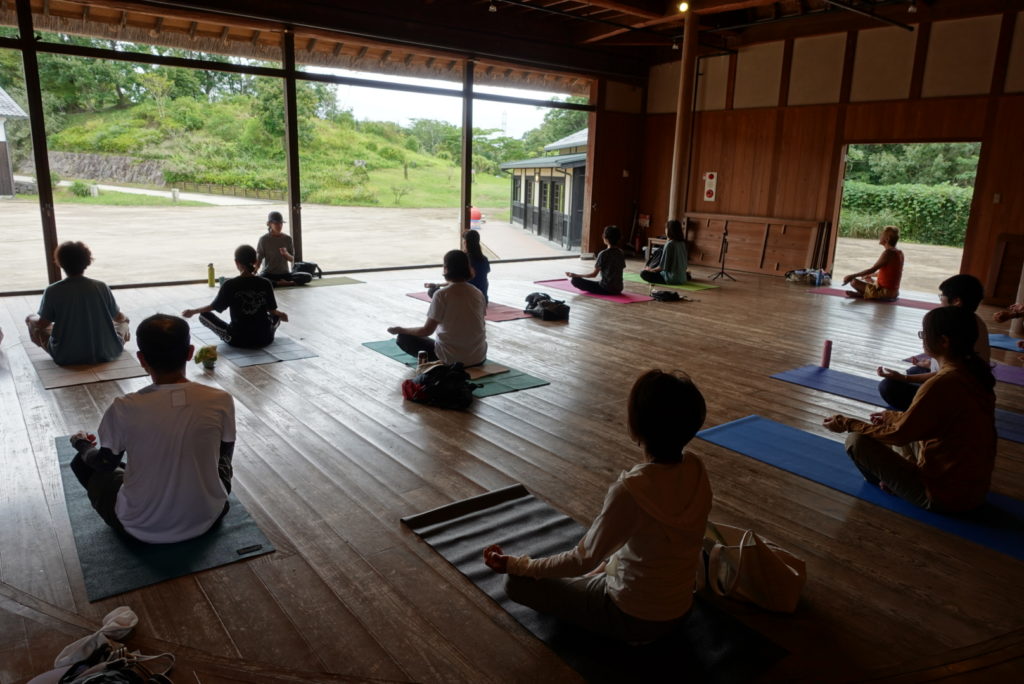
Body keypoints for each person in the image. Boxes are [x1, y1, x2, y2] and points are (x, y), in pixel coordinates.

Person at [482, 369, 713, 643]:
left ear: (636, 424)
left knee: (517, 584)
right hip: (680, 609)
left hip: (633, 619)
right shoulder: (697, 468)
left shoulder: (631, 491)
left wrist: (517, 565)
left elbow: (582, 560)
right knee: (606, 562)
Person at [68, 314, 237, 543]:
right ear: (189, 352)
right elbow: (224, 456)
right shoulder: (220, 399)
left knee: (82, 462)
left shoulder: (124, 407)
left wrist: (81, 444)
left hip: (139, 528)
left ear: (141, 359)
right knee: (216, 463)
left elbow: (105, 464)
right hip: (209, 517)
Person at [824, 306, 996, 513]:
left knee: (856, 441)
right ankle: (900, 478)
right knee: (896, 426)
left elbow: (898, 436)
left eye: (925, 334)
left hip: (943, 497)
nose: (922, 339)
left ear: (943, 342)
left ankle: (893, 484)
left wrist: (847, 423)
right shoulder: (974, 374)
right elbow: (934, 424)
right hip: (973, 492)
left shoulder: (941, 383)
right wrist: (892, 416)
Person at [877, 274, 990, 410]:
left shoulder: (952, 325)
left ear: (956, 301)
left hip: (953, 395)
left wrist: (904, 379)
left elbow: (947, 374)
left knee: (888, 386)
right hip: (959, 380)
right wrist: (927, 363)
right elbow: (950, 363)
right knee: (914, 370)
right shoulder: (975, 321)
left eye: (942, 295)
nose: (940, 299)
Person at [25, 241, 131, 366]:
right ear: (87, 261)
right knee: (123, 323)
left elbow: (43, 324)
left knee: (34, 324)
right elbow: (118, 317)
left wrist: (30, 319)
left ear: (60, 263)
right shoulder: (101, 286)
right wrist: (125, 319)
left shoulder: (53, 290)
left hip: (66, 355)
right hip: (105, 352)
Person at [387, 249, 487, 366]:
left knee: (403, 338)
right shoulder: (477, 293)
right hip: (478, 358)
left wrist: (401, 330)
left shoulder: (442, 294)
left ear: (446, 268)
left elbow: (426, 331)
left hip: (450, 360)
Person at [181, 245, 289, 348]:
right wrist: (282, 314)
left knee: (203, 316)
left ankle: (228, 336)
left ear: (236, 262)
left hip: (237, 340)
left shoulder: (230, 284)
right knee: (276, 316)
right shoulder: (266, 283)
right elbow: (273, 311)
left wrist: (192, 311)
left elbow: (213, 307)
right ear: (256, 261)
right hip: (265, 338)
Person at [423, 229, 490, 302]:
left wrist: (437, 285)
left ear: (465, 243)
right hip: (483, 298)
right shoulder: (484, 259)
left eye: (463, 241)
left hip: (466, 297)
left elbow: (456, 281)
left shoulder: (464, 259)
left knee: (433, 291)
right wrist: (438, 284)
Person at [842, 225, 904, 300]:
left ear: (887, 239)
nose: (879, 237)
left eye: (881, 235)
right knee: (869, 279)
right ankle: (864, 294)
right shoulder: (899, 252)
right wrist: (870, 275)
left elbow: (873, 269)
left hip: (885, 293)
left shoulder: (888, 252)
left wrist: (851, 276)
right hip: (894, 292)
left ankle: (864, 294)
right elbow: (890, 274)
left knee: (853, 282)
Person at [565, 225, 626, 295]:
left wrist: (576, 275)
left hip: (606, 288)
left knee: (575, 280)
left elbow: (593, 275)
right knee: (598, 283)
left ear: (605, 238)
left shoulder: (603, 254)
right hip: (619, 289)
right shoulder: (621, 252)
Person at [256, 211, 311, 287]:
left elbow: (292, 259)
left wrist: (286, 254)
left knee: (307, 276)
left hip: (284, 274)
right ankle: (283, 283)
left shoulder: (287, 238)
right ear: (269, 224)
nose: (279, 226)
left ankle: (279, 283)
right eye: (276, 223)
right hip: (268, 274)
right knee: (259, 280)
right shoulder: (264, 239)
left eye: (281, 223)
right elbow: (259, 258)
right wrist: (254, 271)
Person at [640, 219, 689, 286]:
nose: (665, 230)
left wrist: (650, 270)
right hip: (683, 278)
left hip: (671, 279)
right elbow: (685, 266)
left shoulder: (669, 244)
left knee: (643, 273)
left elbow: (662, 267)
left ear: (669, 230)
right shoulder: (682, 243)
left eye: (666, 228)